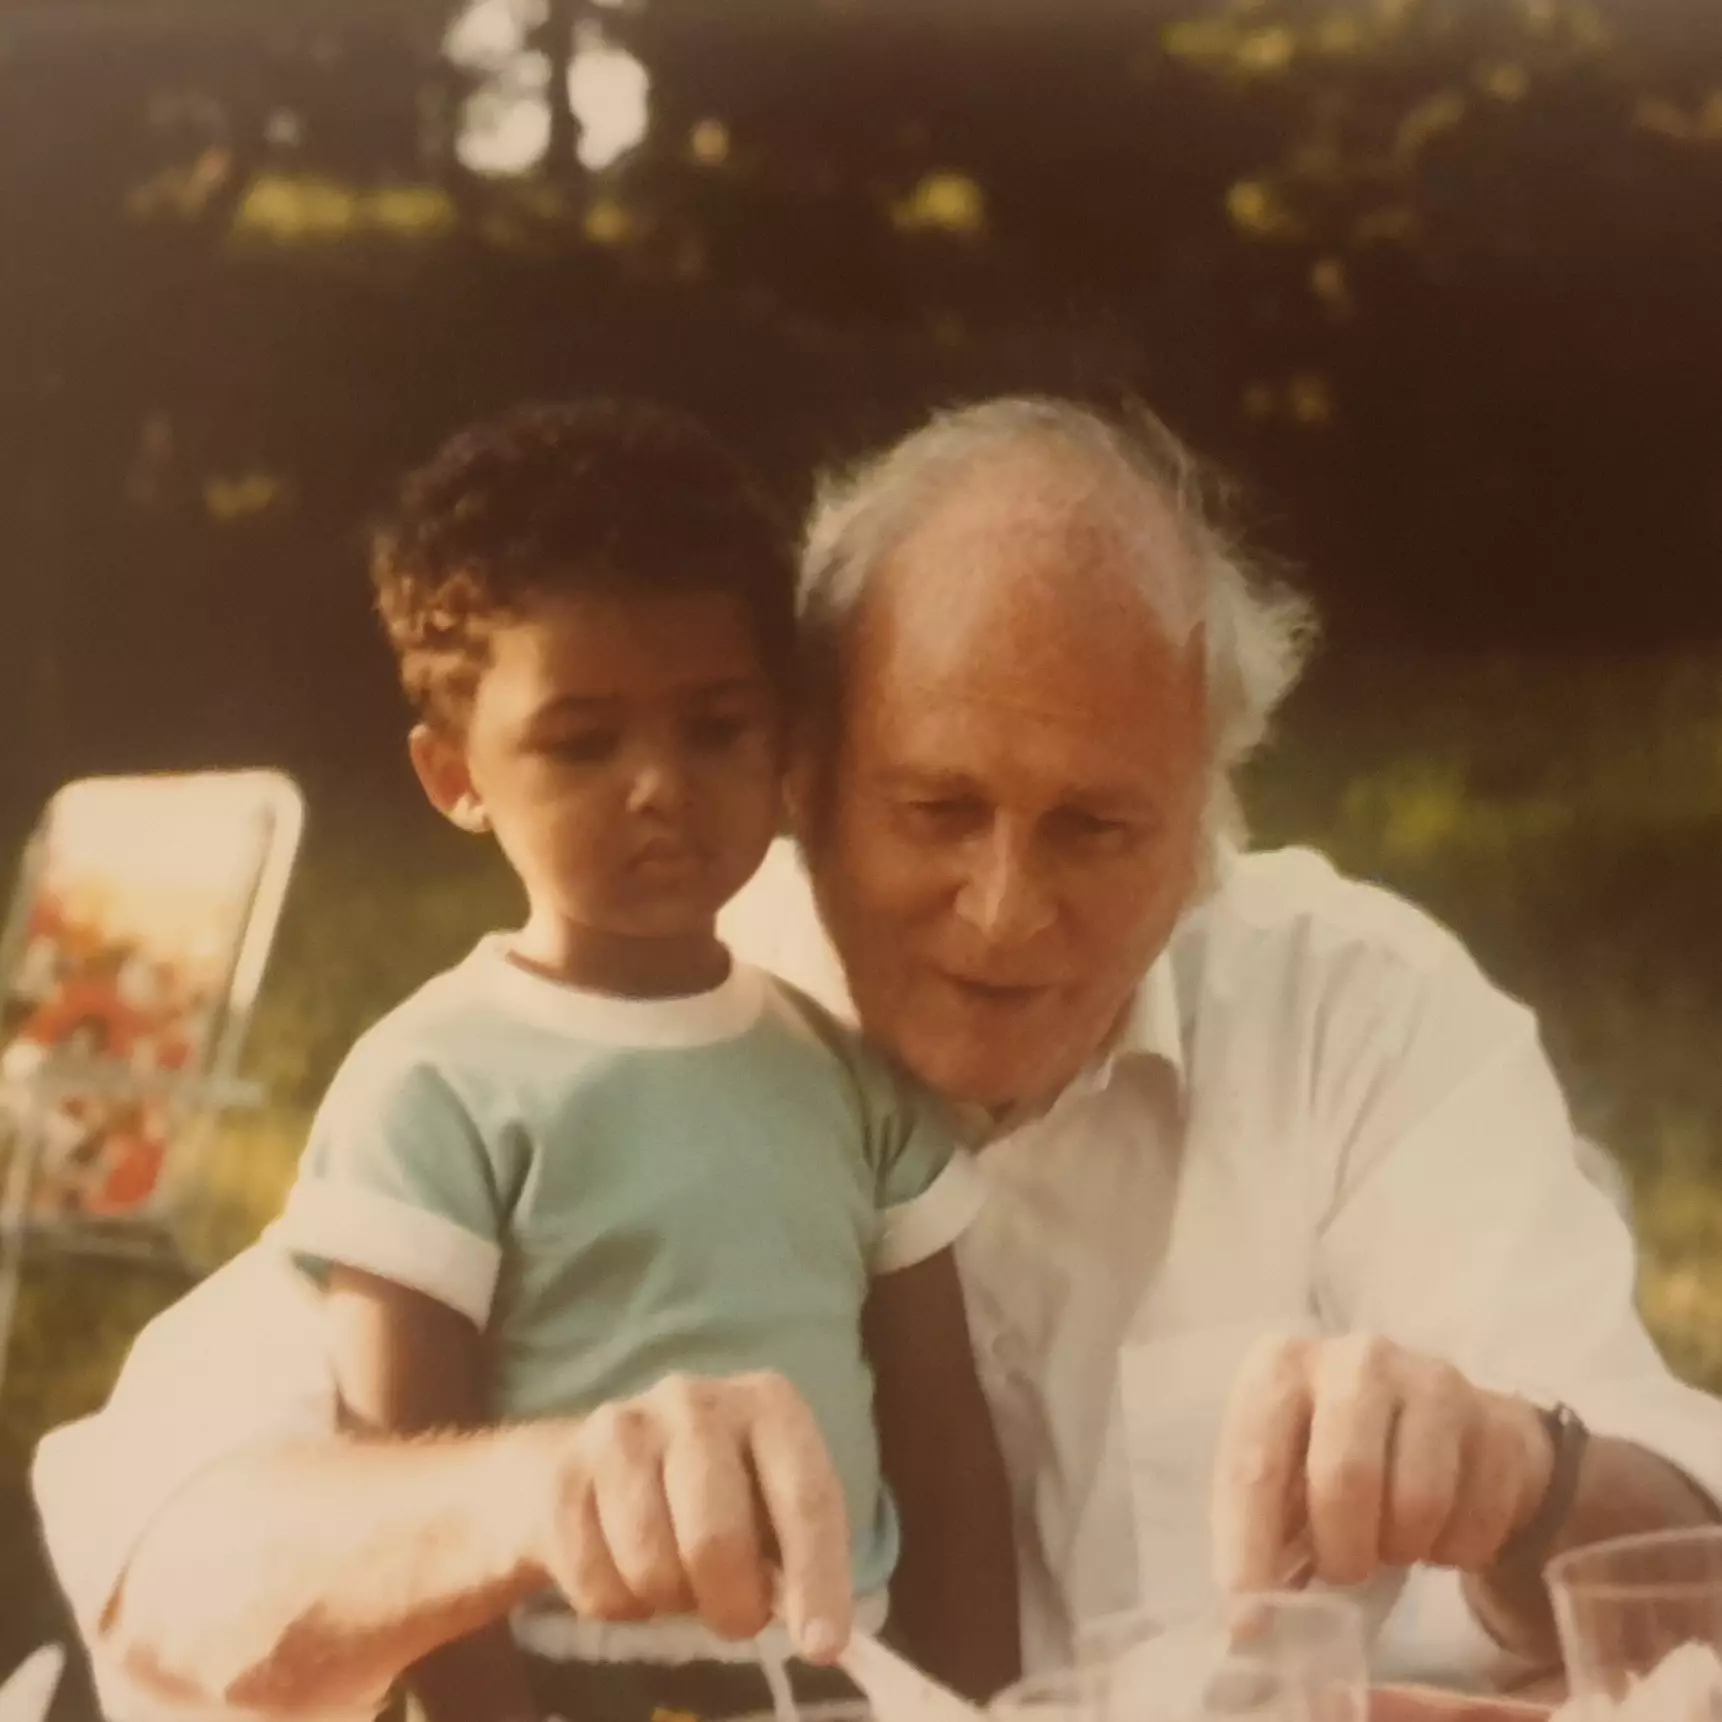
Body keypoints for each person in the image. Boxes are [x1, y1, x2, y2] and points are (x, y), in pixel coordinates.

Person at [33, 395, 1722, 1722]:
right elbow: (164, 1579)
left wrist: (1520, 1473)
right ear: (804, 762)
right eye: (935, 810)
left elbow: (1689, 1577)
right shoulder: (619, 1017)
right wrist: (527, 1494)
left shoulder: (1353, 1011)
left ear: (1210, 804)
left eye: (1095, 827)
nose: (1003, 909)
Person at [100, 399, 1018, 1722]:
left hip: (840, 1679)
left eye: (715, 727)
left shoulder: (852, 1080)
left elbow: (947, 1457)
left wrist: (979, 1706)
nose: (659, 785)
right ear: (454, 774)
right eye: (583, 742)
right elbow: (405, 1472)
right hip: (565, 1684)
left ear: (787, 744)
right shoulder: (434, 1087)